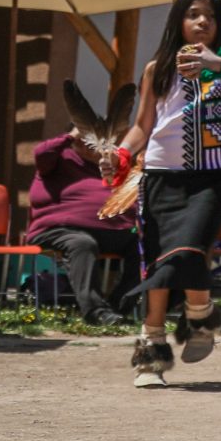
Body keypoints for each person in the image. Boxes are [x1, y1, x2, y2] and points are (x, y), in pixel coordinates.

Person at [107, 0, 221, 388]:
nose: (202, 22)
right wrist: (121, 154)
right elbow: (143, 124)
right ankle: (151, 354)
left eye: (210, 17)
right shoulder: (156, 68)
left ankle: (200, 312)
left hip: (211, 178)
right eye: (194, 14)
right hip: (161, 176)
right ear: (179, 20)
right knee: (160, 263)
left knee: (189, 249)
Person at [28, 117, 135, 325]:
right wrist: (72, 135)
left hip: (112, 229)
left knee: (146, 245)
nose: (100, 148)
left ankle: (119, 306)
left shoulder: (110, 164)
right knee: (83, 244)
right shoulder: (60, 157)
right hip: (60, 229)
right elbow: (41, 152)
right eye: (92, 141)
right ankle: (95, 312)